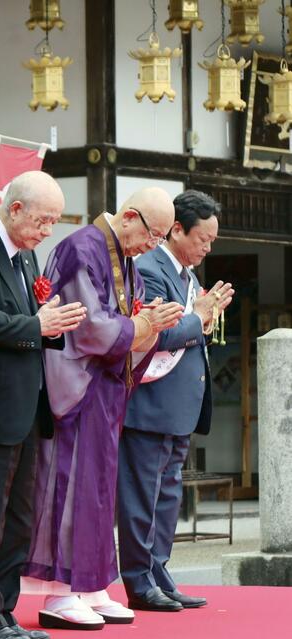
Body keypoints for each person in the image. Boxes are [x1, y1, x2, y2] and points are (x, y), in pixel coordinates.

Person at [21, 188, 185, 631]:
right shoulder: (82, 248)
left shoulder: (124, 258)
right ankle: (60, 592)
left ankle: (90, 586)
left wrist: (149, 322)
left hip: (104, 391)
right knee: (70, 485)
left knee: (96, 490)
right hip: (75, 388)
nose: (151, 247)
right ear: (129, 217)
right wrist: (143, 325)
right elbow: (89, 327)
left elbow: (125, 324)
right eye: (152, 236)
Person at [0, 172, 87, 639]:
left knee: (18, 520)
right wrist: (36, 325)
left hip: (24, 406)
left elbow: (28, 321)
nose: (47, 231)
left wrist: (51, 324)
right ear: (16, 208)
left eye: (53, 223)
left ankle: (5, 611)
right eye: (43, 220)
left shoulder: (25, 256)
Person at [117, 190, 233, 612]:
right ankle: (138, 579)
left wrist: (205, 314)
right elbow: (156, 333)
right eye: (203, 238)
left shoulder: (187, 276)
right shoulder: (150, 268)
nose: (207, 247)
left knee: (167, 497)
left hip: (179, 404)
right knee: (141, 498)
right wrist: (199, 316)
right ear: (177, 230)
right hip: (150, 404)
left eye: (212, 241)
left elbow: (192, 326)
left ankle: (159, 572)